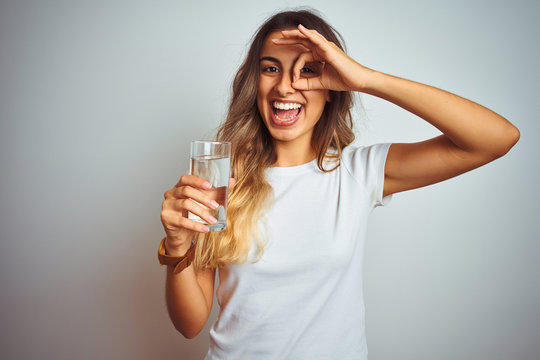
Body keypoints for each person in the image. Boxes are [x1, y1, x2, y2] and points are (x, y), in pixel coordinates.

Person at [159, 9, 519, 360]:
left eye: (307, 70)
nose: (285, 85)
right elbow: (190, 324)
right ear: (255, 83)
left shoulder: (358, 172)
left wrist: (366, 79)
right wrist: (177, 245)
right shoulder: (221, 181)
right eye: (271, 68)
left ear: (332, 85)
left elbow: (496, 138)